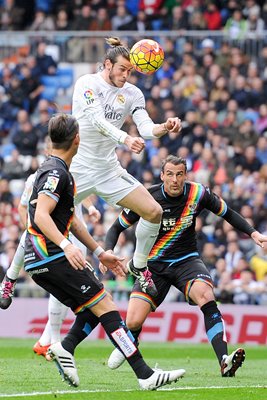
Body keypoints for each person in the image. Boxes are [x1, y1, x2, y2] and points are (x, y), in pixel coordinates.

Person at [22, 113, 185, 389]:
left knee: (94, 304)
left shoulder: (58, 169)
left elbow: (69, 218)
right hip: (50, 254)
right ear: (77, 139)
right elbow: (41, 215)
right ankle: (145, 375)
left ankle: (66, 348)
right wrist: (65, 245)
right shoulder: (57, 173)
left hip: (40, 259)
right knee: (107, 306)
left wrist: (98, 252)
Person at [104, 155, 267, 377]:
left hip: (186, 260)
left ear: (185, 175)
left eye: (179, 174)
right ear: (162, 176)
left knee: (206, 296)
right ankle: (131, 339)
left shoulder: (198, 193)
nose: (174, 179)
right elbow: (115, 229)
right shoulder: (146, 197)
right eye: (169, 174)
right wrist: (109, 251)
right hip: (153, 266)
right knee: (132, 321)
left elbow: (228, 213)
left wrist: (253, 233)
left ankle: (224, 361)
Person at [70, 37, 182, 297]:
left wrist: (164, 127)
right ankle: (10, 278)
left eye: (130, 71)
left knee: (154, 211)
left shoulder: (132, 93)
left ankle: (140, 267)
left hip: (108, 169)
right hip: (77, 168)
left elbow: (146, 128)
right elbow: (97, 120)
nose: (126, 75)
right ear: (107, 65)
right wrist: (125, 139)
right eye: (122, 69)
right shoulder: (87, 84)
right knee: (42, 223)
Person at [0, 138, 101, 357]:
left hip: (73, 238)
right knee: (30, 234)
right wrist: (30, 226)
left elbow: (76, 195)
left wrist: (91, 207)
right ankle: (10, 279)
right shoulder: (37, 178)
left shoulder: (69, 175)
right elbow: (22, 207)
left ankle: (47, 339)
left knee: (64, 291)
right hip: (49, 239)